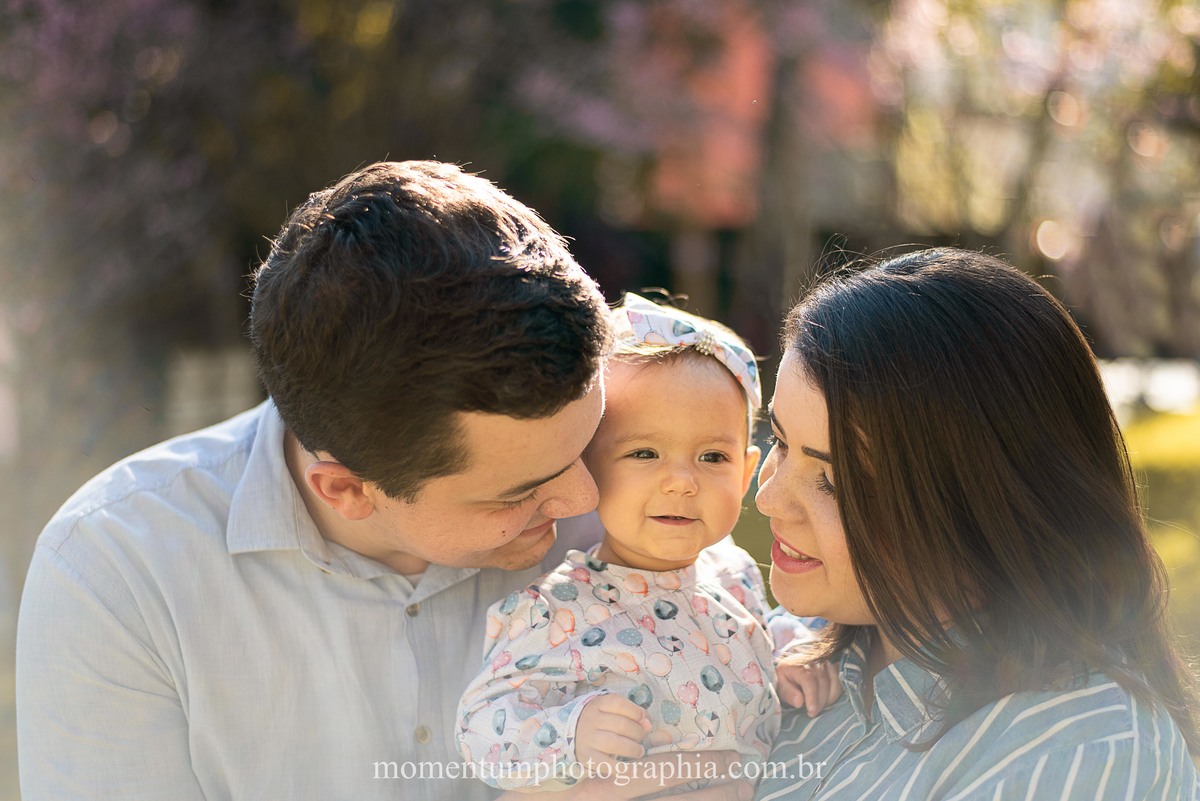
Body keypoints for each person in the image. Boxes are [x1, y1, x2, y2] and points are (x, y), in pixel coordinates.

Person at [16, 161, 752, 801]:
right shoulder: (119, 572)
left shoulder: (637, 514)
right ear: (348, 489)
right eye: (518, 490)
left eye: (587, 443)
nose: (584, 500)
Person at [753, 247, 1200, 800]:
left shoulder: (1075, 755)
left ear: (981, 502)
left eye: (835, 480)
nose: (769, 497)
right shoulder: (766, 646)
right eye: (777, 440)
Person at [456, 294, 839, 793]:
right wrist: (572, 730)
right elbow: (480, 727)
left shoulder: (734, 573)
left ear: (746, 474)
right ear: (587, 465)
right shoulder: (555, 612)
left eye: (711, 457)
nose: (681, 482)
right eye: (645, 452)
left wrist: (786, 661)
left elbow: (753, 639)